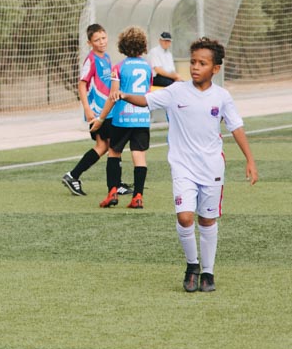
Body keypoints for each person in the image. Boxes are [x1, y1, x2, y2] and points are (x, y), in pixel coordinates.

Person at [115, 37, 258, 292]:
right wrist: (123, 95)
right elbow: (146, 100)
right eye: (193, 62)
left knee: (207, 220)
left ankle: (208, 272)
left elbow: (236, 127)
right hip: (182, 167)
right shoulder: (176, 91)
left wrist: (250, 159)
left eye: (202, 63)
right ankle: (192, 265)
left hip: (212, 168)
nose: (195, 67)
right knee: (184, 217)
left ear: (215, 68)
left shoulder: (222, 97)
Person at [97, 26, 151, 210]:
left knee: (114, 152)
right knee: (139, 155)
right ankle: (138, 196)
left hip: (122, 118)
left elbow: (113, 96)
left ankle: (112, 192)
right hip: (142, 117)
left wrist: (101, 119)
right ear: (143, 45)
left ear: (122, 46)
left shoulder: (118, 67)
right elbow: (147, 93)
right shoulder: (148, 67)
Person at [62, 23, 114, 197]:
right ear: (89, 43)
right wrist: (87, 109)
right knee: (110, 146)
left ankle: (73, 176)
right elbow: (82, 84)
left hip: (107, 110)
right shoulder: (91, 60)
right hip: (97, 111)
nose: (102, 42)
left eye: (103, 38)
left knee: (104, 146)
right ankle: (115, 184)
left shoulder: (107, 58)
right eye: (97, 40)